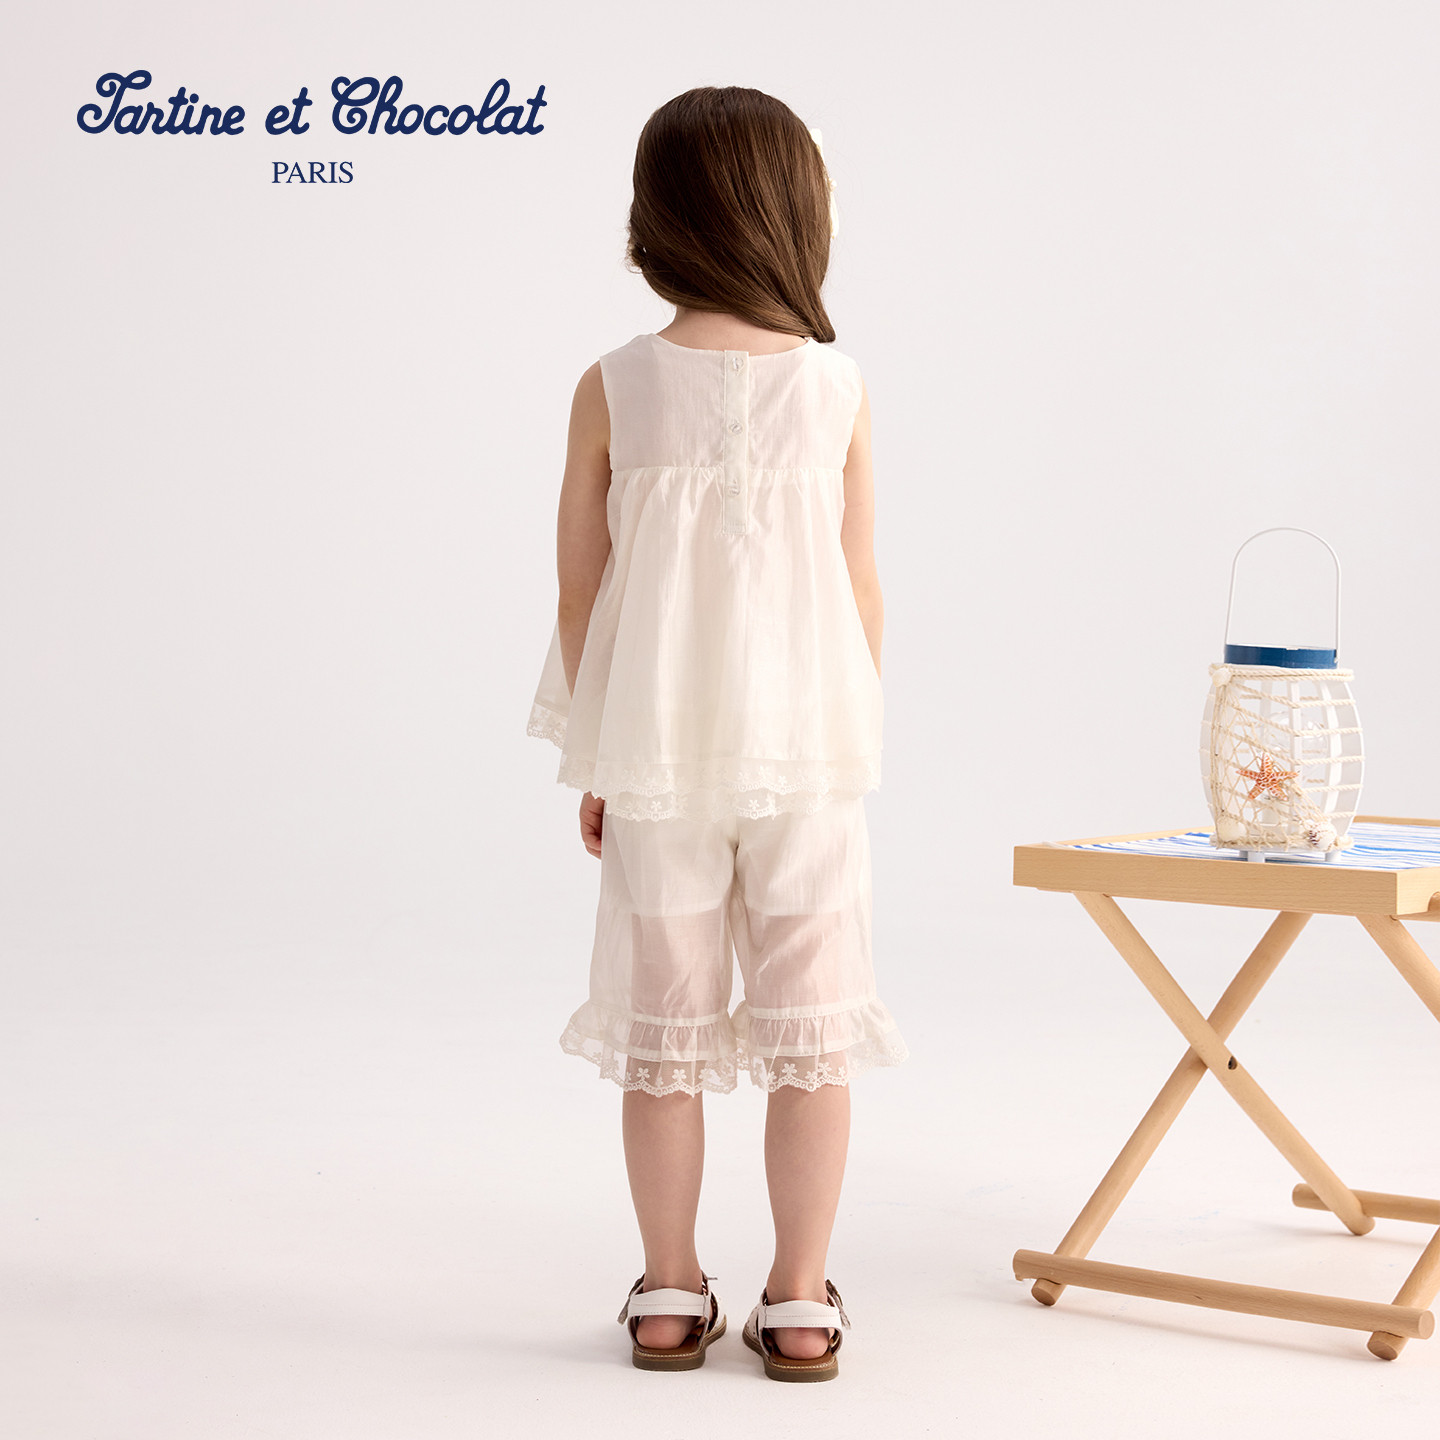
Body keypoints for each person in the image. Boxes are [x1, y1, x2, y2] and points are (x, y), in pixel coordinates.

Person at [525, 85, 907, 1382]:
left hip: (657, 765)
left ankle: (672, 1290)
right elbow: (861, 591)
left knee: (663, 1033)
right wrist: (843, 740)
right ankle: (799, 1301)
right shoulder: (837, 388)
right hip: (808, 762)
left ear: (654, 222)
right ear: (799, 218)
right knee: (813, 1031)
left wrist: (599, 756)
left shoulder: (613, 387)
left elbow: (582, 593)